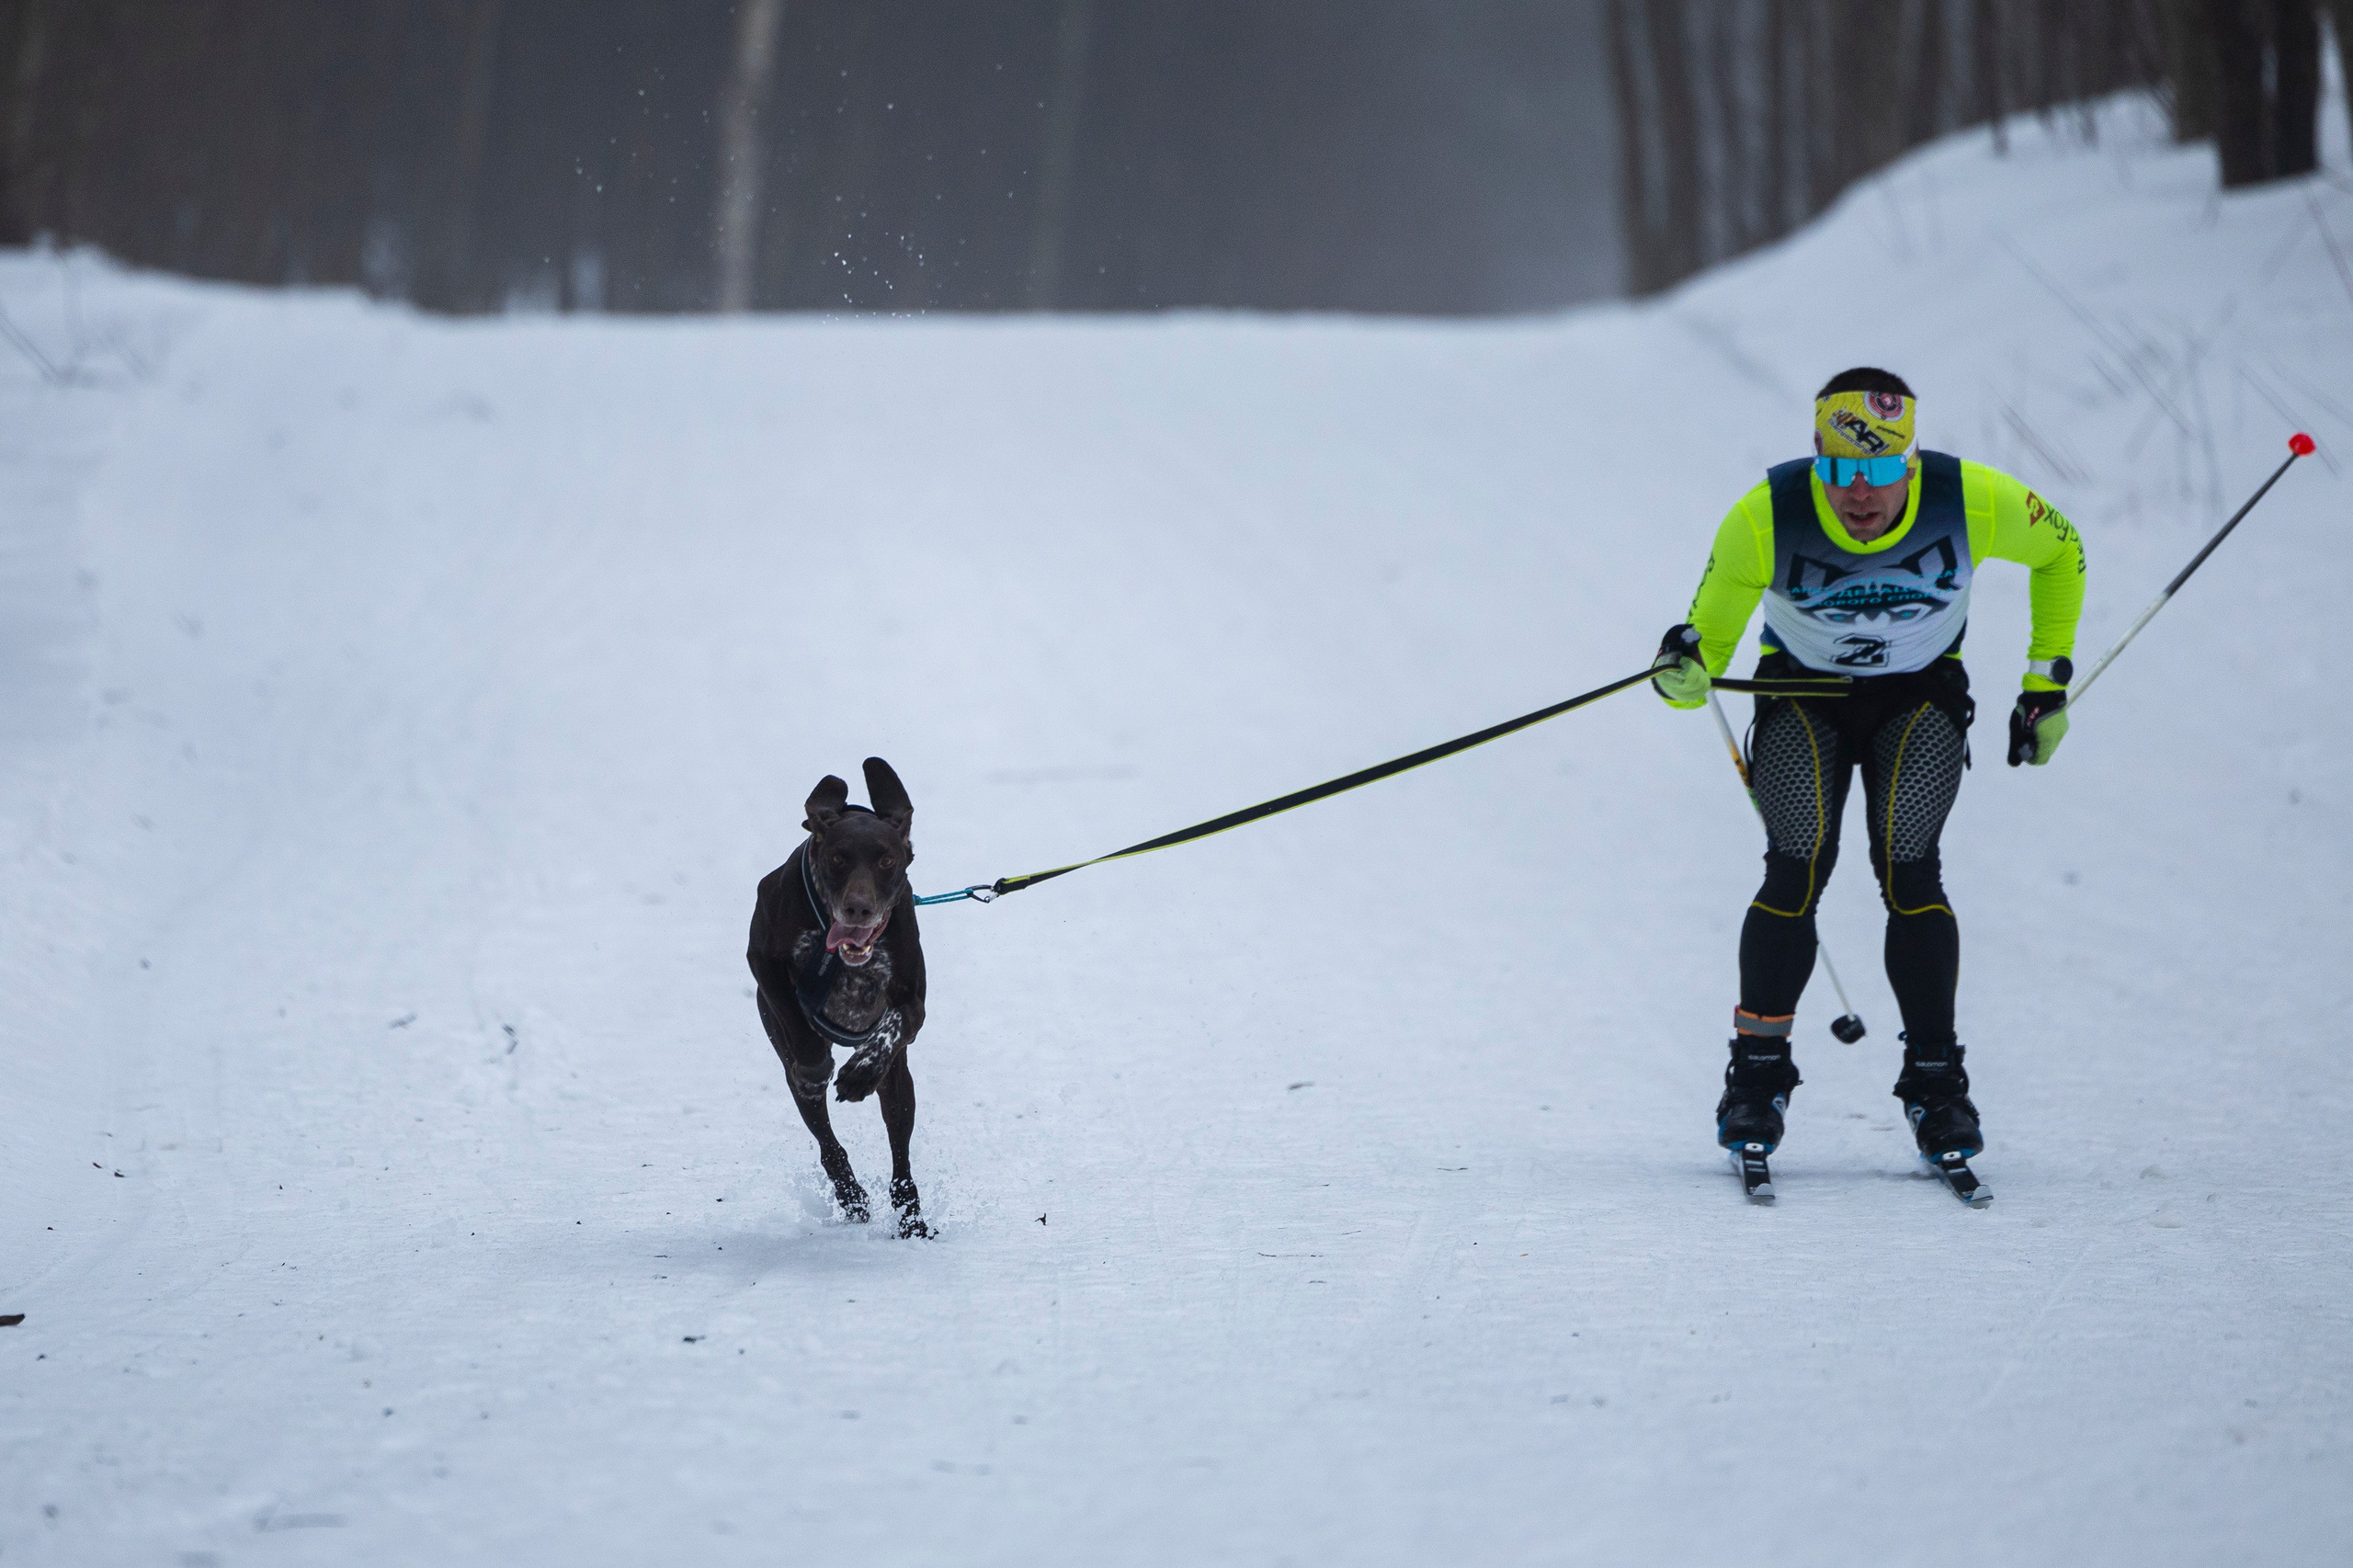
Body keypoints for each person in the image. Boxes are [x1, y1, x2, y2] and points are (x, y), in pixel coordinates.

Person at [1650, 367, 2085, 1165]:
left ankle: (1936, 1085)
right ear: (1817, 454)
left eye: (1881, 471)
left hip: (1917, 698)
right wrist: (1681, 670)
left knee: (1910, 868)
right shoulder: (1765, 516)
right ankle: (1756, 1077)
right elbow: (1696, 664)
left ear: (1910, 462)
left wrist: (2043, 684)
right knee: (1799, 861)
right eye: (1842, 471)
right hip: (1801, 696)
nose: (1860, 493)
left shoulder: (1973, 498)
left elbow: (2061, 551)